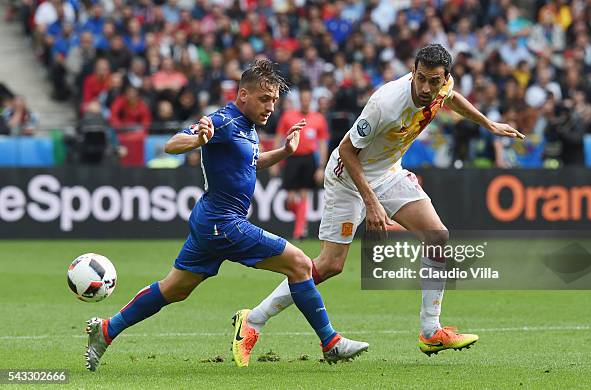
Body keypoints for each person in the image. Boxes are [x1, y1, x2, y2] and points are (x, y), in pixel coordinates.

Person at [238, 44, 525, 357]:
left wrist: (489, 124)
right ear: (413, 72)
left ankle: (431, 331)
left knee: (437, 236)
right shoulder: (386, 104)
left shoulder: (441, 89)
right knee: (331, 265)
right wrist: (371, 202)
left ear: (445, 79)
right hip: (348, 176)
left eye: (434, 81)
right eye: (421, 79)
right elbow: (347, 151)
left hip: (388, 173)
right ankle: (254, 319)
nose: (426, 88)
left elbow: (451, 98)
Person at [84, 59, 368, 372]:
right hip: (224, 222)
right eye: (264, 99)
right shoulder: (223, 120)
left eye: (274, 100)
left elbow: (250, 164)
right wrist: (198, 140)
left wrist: (285, 152)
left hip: (211, 221)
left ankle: (107, 330)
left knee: (175, 288)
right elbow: (171, 144)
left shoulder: (248, 127)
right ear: (242, 95)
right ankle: (330, 342)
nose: (270, 106)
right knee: (301, 265)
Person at [275, 81, 329, 239]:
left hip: (308, 159)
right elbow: (279, 136)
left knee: (304, 194)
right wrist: (276, 159)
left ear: (311, 100)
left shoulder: (318, 118)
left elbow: (322, 144)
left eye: (308, 99)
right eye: (303, 99)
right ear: (300, 100)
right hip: (291, 158)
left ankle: (299, 232)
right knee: (290, 199)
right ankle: (301, 222)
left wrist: (321, 167)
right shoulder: (288, 116)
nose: (305, 101)